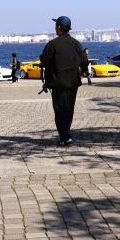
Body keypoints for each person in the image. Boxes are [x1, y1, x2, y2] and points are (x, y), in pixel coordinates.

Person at [39, 15, 87, 146]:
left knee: (60, 110)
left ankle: (65, 136)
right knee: (69, 109)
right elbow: (84, 62)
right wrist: (81, 74)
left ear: (59, 27)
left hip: (58, 83)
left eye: (55, 26)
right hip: (73, 83)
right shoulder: (77, 44)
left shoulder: (52, 44)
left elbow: (44, 60)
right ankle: (66, 135)